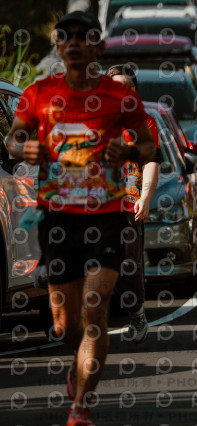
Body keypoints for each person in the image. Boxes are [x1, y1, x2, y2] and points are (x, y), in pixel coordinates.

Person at [4, 11, 156, 426]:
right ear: (58, 46)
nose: (73, 43)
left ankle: (81, 406)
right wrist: (25, 148)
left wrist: (128, 152)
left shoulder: (120, 96)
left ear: (98, 47)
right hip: (59, 218)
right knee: (66, 324)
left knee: (96, 306)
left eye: (83, 36)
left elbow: (148, 147)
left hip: (107, 215)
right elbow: (13, 139)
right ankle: (77, 359)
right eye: (65, 37)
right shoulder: (38, 93)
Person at [106, 64, 161, 345]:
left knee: (128, 265)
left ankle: (136, 313)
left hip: (128, 205)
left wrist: (145, 197)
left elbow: (151, 162)